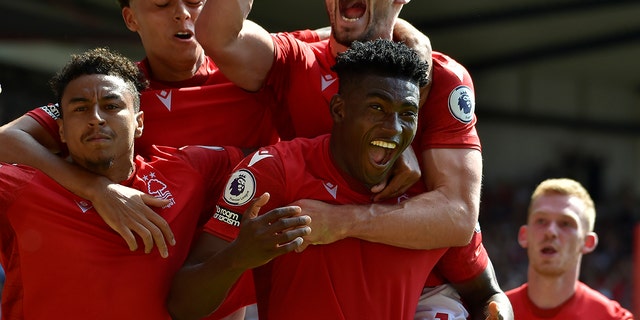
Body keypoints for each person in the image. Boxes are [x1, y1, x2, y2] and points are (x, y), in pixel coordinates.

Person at [168, 39, 507, 320]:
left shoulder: (431, 203)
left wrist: (499, 314)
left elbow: (488, 295)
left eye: (407, 114)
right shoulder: (276, 171)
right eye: (377, 108)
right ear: (339, 110)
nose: (393, 128)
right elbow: (182, 305)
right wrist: (239, 255)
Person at [0, 47, 311, 319]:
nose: (95, 117)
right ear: (62, 132)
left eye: (111, 106)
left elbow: (275, 160)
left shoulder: (188, 170)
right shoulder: (19, 188)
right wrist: (96, 190)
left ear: (140, 123)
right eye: (80, 109)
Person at [506, 178, 634, 319]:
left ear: (587, 242)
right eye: (541, 220)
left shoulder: (613, 318)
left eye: (565, 223)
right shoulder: (492, 313)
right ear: (524, 235)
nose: (551, 232)